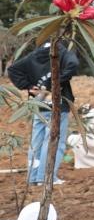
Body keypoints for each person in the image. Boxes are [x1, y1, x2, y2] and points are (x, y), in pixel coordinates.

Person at [7, 41, 80, 185]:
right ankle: (46, 178)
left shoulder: (33, 56)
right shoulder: (61, 52)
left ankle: (33, 177)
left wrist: (28, 86)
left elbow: (12, 69)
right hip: (57, 105)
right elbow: (74, 64)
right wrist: (56, 82)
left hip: (38, 105)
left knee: (37, 142)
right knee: (54, 142)